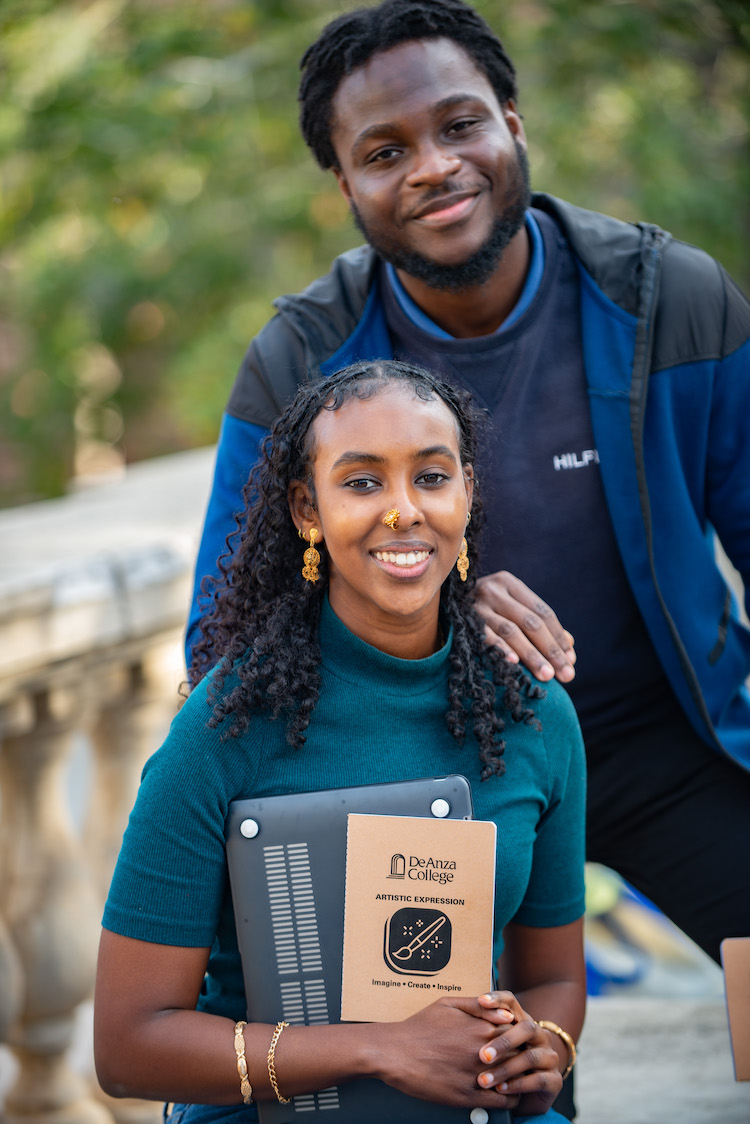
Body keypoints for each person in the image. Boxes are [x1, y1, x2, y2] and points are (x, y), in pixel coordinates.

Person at [186, 0, 750, 967]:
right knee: (492, 1088)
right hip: (437, 777)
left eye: (458, 125)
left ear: (513, 124)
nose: (434, 166)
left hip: (668, 743)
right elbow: (221, 639)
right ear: (346, 186)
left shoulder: (672, 304)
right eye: (384, 151)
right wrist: (427, 610)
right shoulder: (300, 364)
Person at [94, 360, 586, 1123]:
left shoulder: (533, 711)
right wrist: (378, 1049)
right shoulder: (225, 725)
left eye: (431, 477)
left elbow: (553, 980)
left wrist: (546, 1044)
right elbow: (128, 1046)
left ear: (467, 494)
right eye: (361, 483)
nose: (402, 512)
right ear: (306, 511)